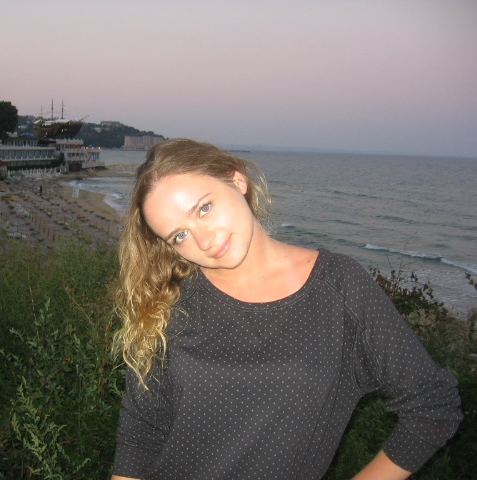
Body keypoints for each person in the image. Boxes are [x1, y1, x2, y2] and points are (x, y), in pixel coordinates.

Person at [110, 139, 462, 480]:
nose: (204, 241)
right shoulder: (168, 304)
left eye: (204, 208)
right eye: (180, 236)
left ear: (236, 180)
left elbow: (433, 406)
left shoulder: (338, 288)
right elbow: (141, 432)